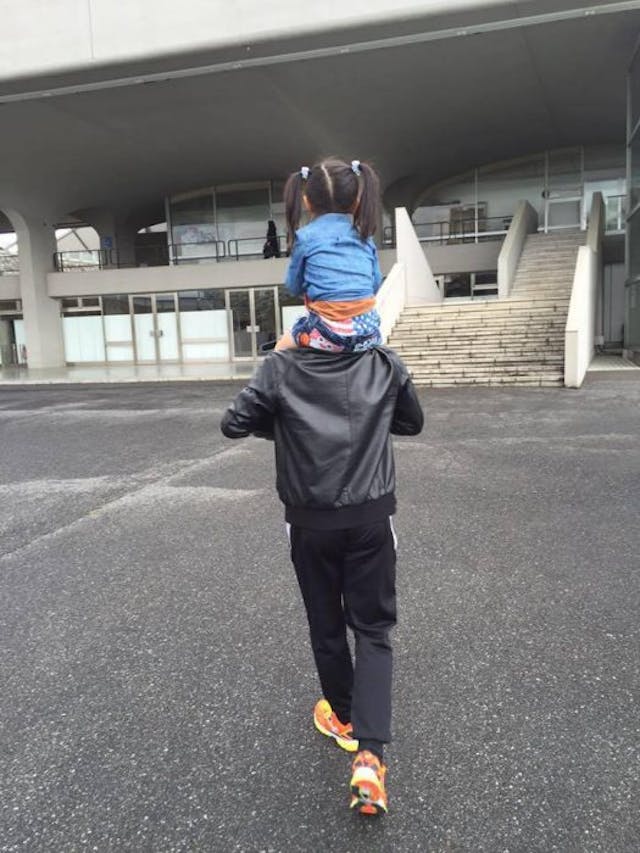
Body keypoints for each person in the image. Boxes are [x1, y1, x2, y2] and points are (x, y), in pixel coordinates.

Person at [220, 344, 424, 815]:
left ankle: (345, 718)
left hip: (310, 521)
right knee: (373, 630)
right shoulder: (384, 363)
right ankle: (370, 756)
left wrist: (291, 427)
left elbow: (234, 422)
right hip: (370, 516)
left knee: (326, 622)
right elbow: (411, 422)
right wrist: (369, 422)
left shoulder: (280, 367)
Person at [275, 158, 384, 353]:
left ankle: (259, 385)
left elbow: (293, 286)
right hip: (368, 332)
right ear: (356, 203)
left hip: (327, 333)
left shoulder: (305, 237)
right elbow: (375, 284)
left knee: (280, 349)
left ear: (307, 202)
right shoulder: (364, 237)